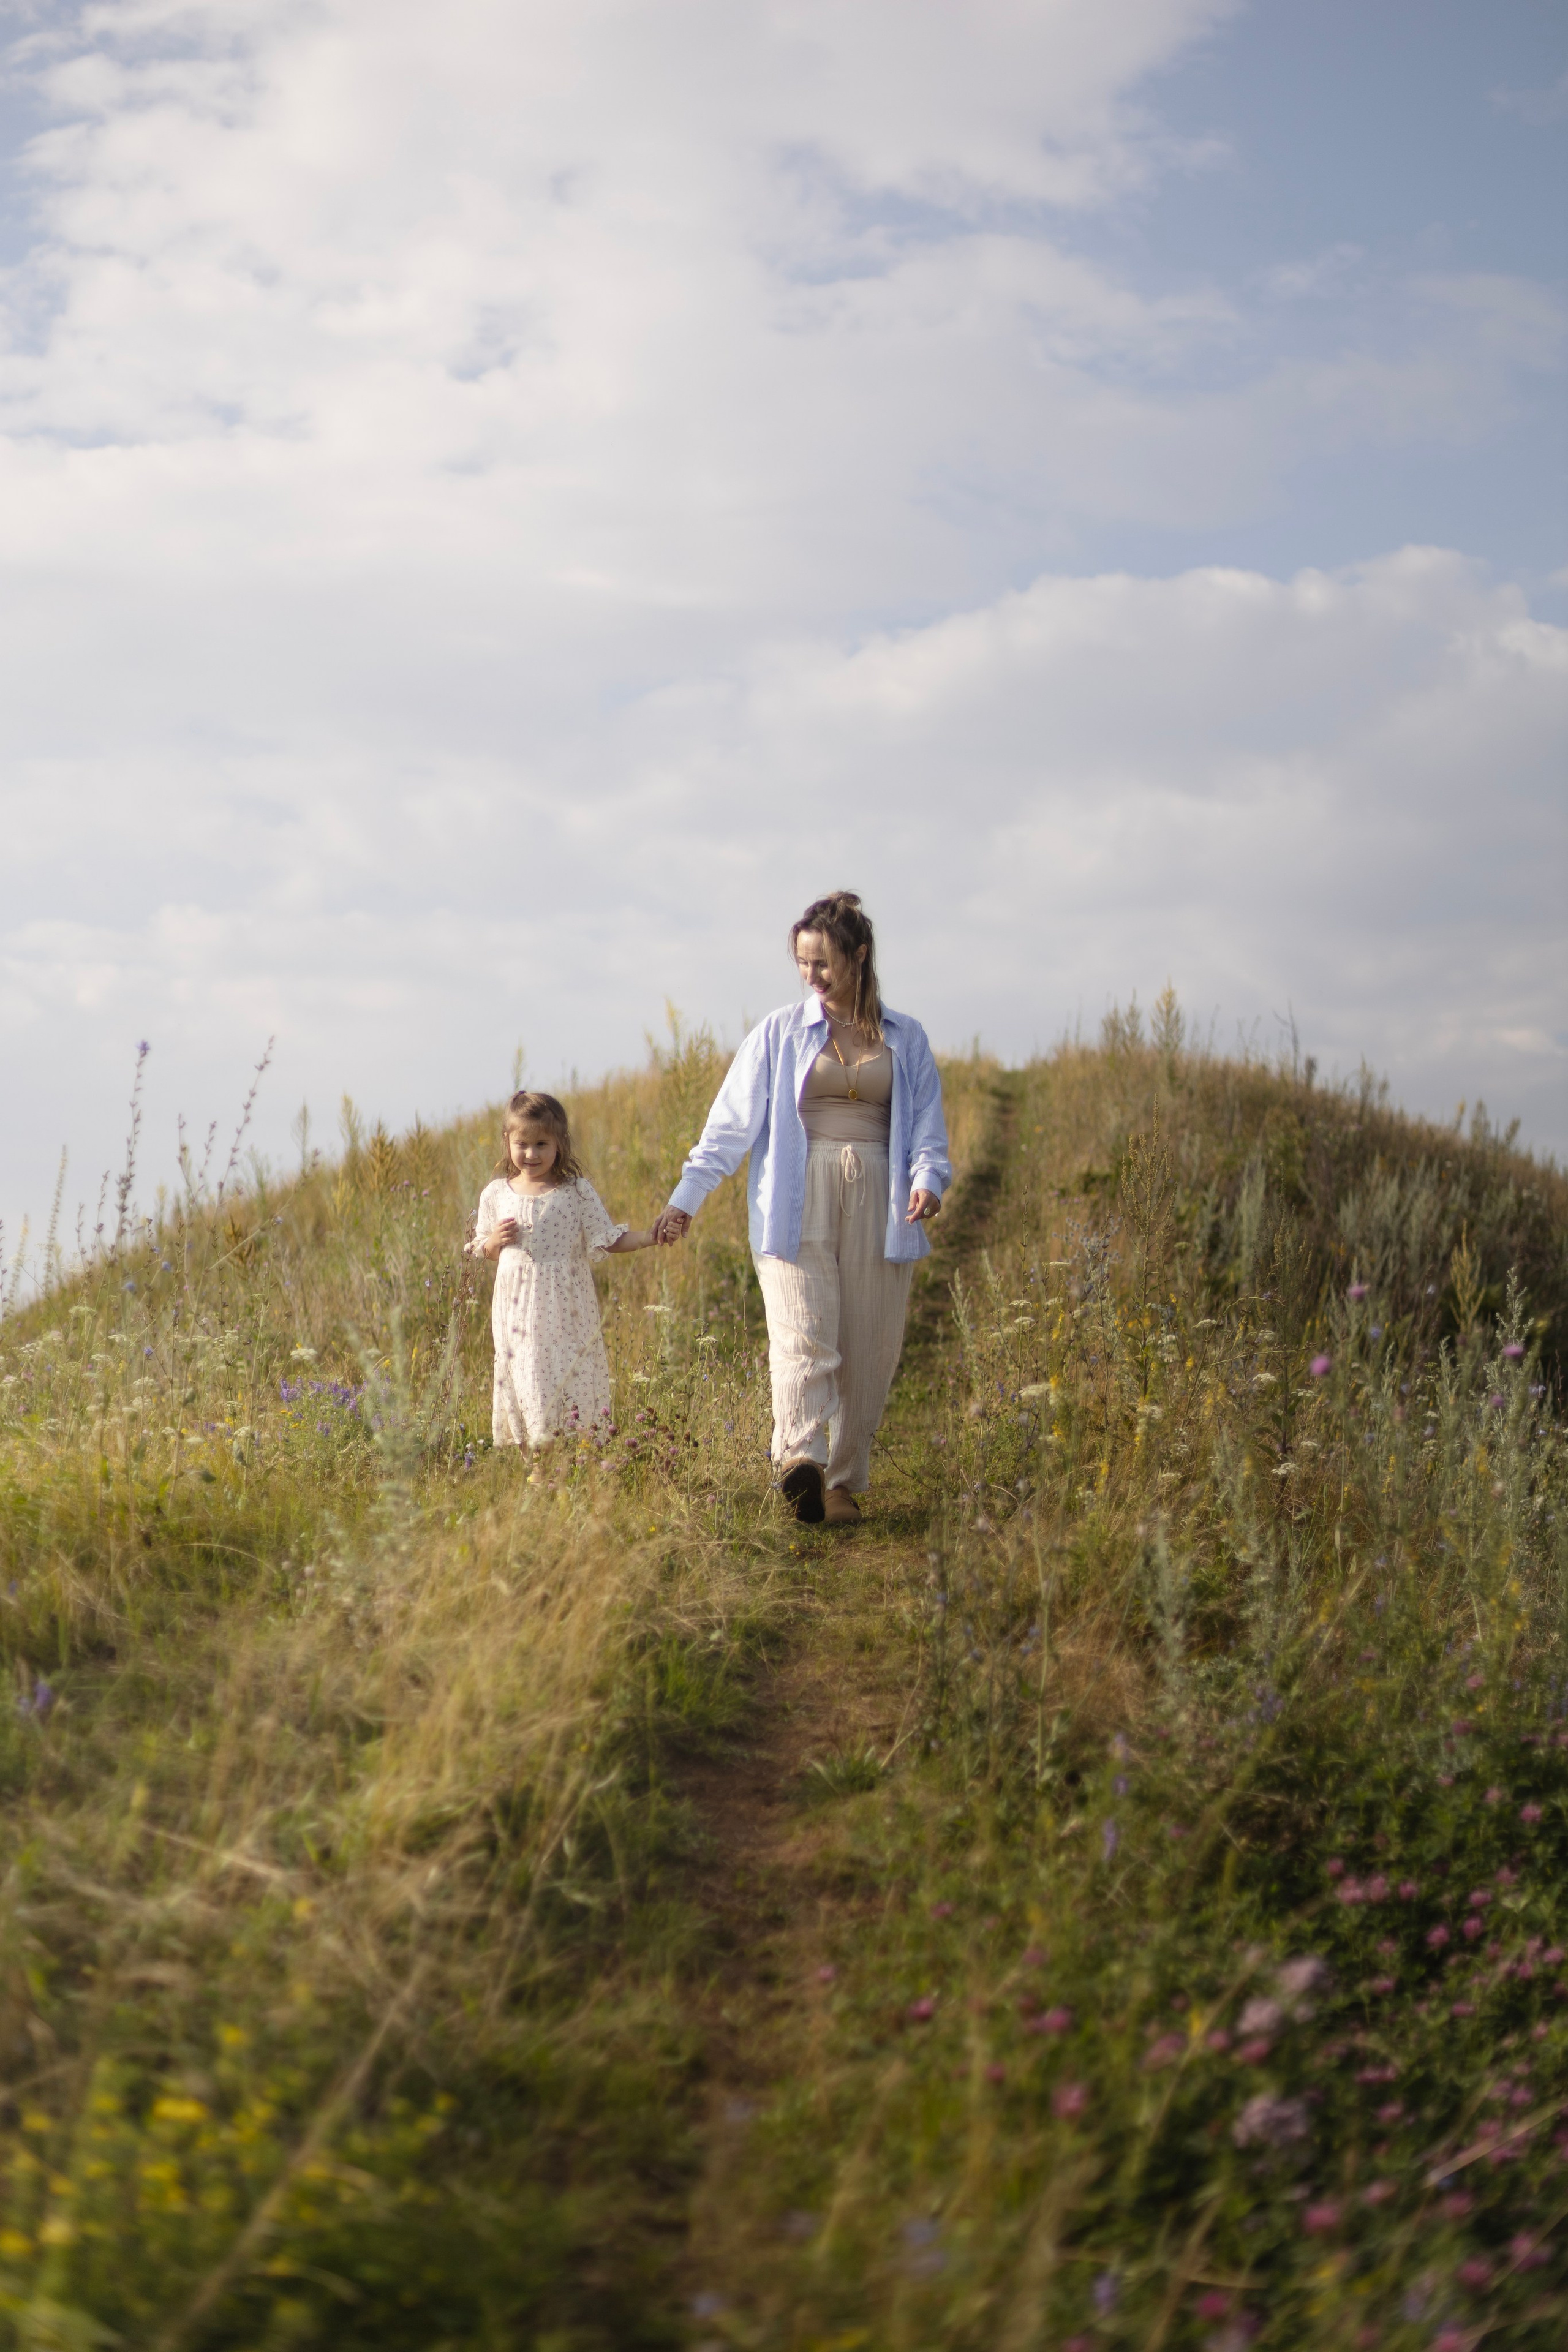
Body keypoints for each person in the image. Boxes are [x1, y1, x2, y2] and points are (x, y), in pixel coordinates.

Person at [652, 892, 949, 1526]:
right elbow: (729, 1128)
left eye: (822, 964)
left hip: (882, 1201)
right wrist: (687, 1201)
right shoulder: (779, 1033)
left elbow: (926, 1126)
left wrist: (928, 1178)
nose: (811, 977)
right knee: (802, 1335)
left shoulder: (907, 1037)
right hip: (794, 1198)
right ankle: (798, 1462)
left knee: (869, 1354)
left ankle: (841, 1483)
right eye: (801, 964)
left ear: (859, 956)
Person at [468, 1090, 654, 1451]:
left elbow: (609, 1240)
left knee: (567, 1377)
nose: (532, 1154)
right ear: (507, 1141)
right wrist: (493, 1241)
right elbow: (483, 1250)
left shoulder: (575, 1192)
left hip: (566, 1309)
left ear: (560, 1144)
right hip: (518, 1310)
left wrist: (650, 1237)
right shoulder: (496, 1194)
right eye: (522, 1144)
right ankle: (538, 1462)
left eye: (542, 1144)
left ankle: (569, 1455)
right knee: (526, 1374)